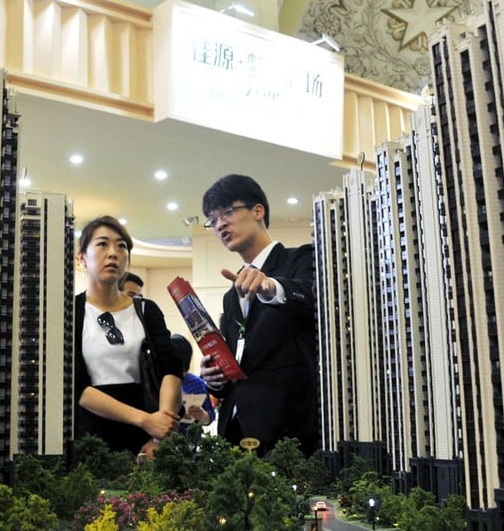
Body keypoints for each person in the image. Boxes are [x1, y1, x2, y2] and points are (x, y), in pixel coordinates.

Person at [198, 174, 320, 455]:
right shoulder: (232, 295)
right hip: (235, 431)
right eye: (213, 220)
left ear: (258, 211)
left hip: (289, 431)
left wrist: (271, 287)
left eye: (228, 212)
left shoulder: (300, 259)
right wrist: (215, 378)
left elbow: (314, 297)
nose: (220, 224)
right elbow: (239, 359)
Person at [73, 215, 183, 457]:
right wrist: (145, 420)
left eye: (121, 246)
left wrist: (158, 434)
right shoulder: (70, 312)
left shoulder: (146, 310)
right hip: (91, 435)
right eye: (102, 244)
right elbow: (76, 386)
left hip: (147, 439)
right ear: (82, 258)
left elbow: (170, 369)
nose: (113, 253)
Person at [169, 334, 215, 430]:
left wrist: (201, 415)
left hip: (190, 441)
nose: (178, 378)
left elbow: (210, 417)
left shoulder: (198, 383)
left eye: (182, 373)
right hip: (160, 441)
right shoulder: (155, 382)